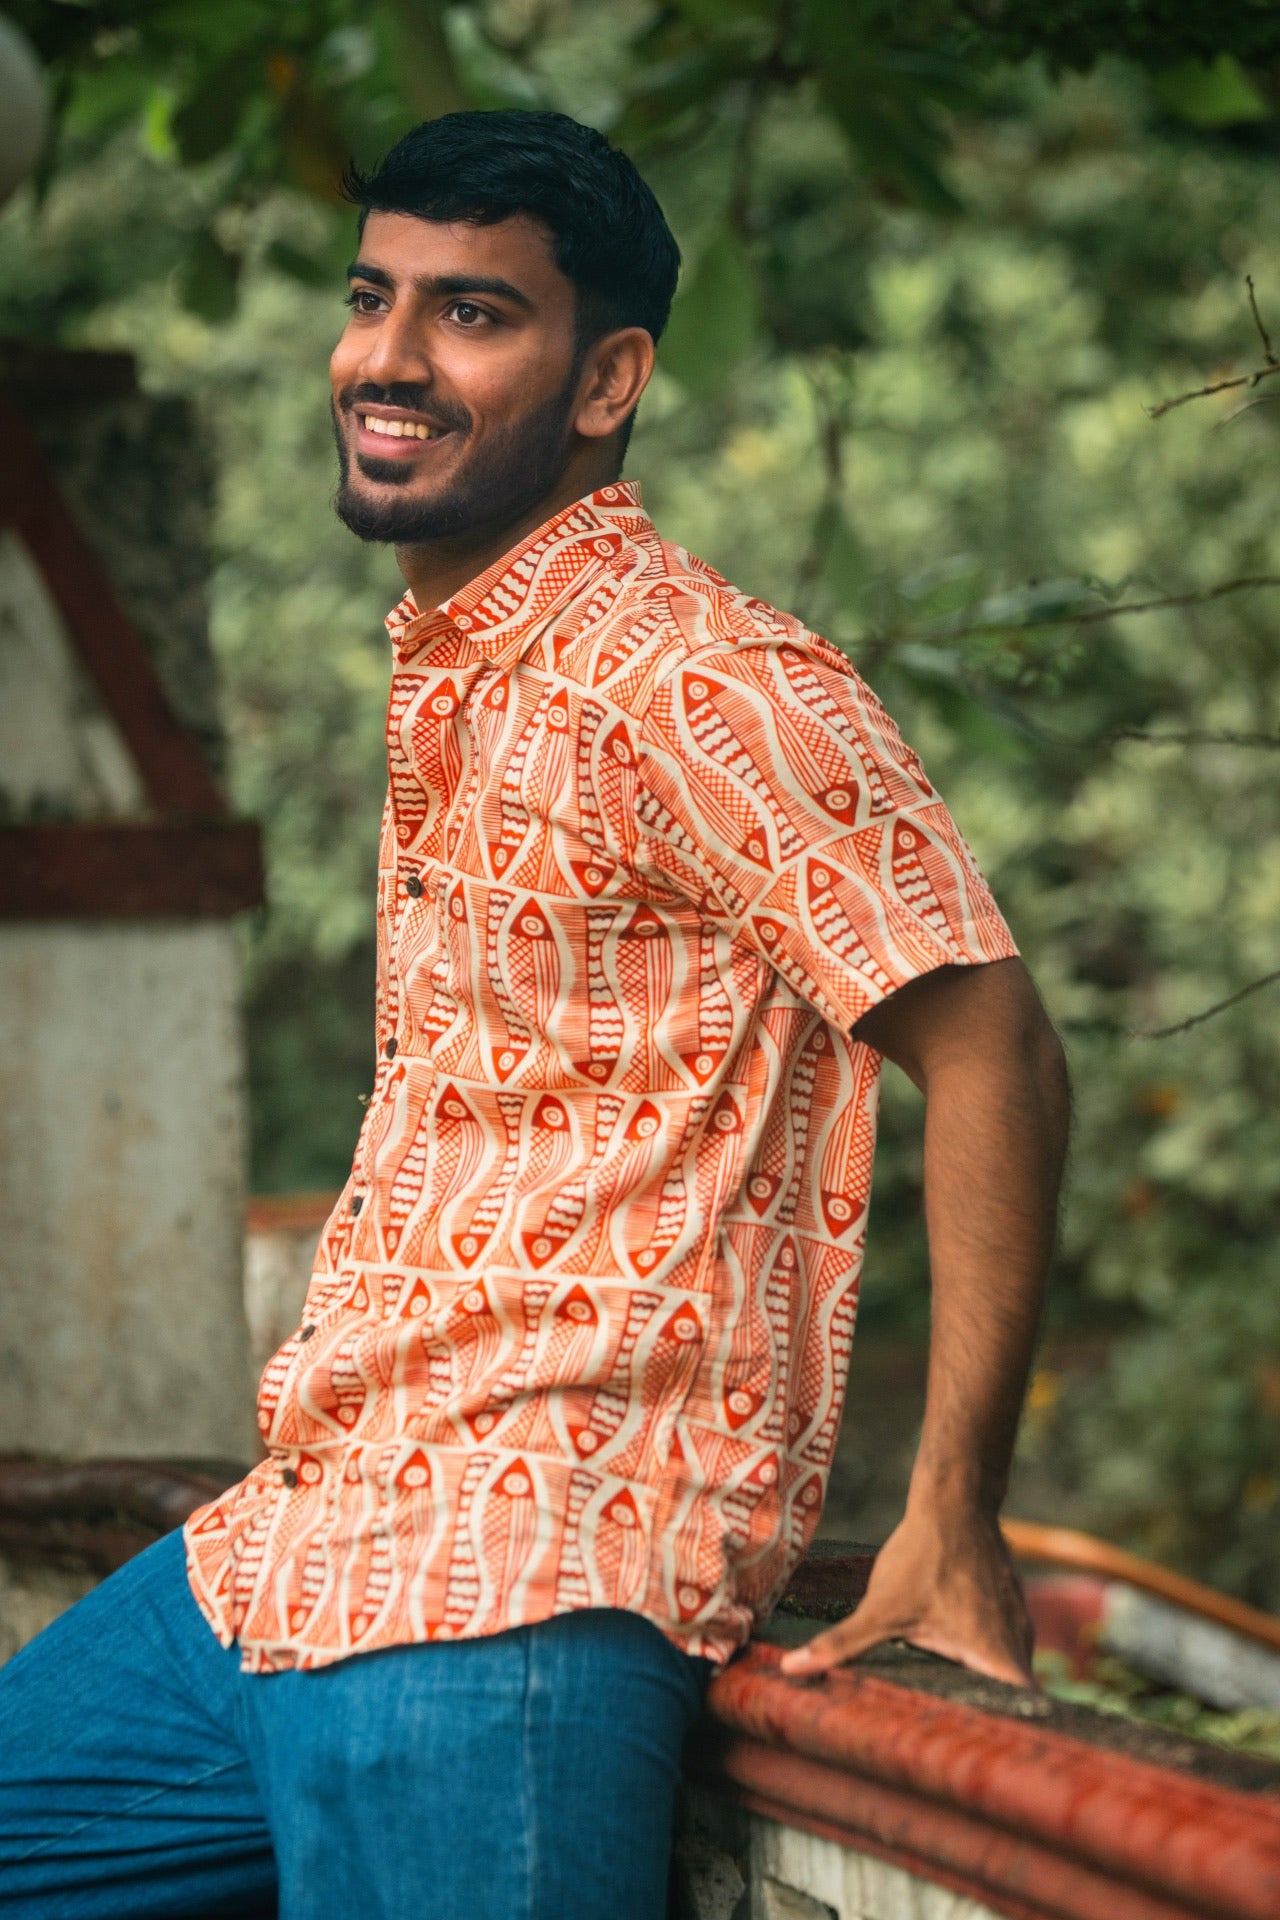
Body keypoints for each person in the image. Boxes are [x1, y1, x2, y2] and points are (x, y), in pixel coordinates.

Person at [0, 110, 1069, 1920]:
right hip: (291, 1546)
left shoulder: (704, 680)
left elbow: (993, 1044)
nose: (388, 362)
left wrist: (954, 1511)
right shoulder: (463, 662)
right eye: (372, 297)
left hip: (509, 1593)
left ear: (608, 378)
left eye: (472, 314)